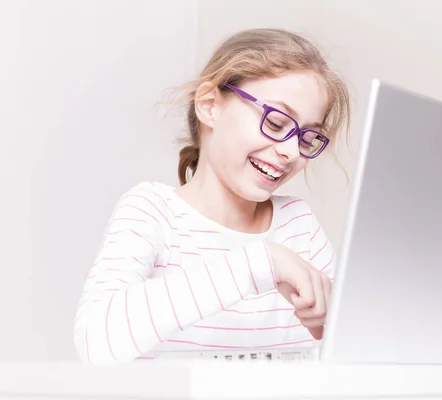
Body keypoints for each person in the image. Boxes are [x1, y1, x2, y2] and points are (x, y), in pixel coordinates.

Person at [73, 28, 351, 364]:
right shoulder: (154, 212)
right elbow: (95, 344)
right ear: (209, 106)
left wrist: (334, 325)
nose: (291, 152)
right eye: (276, 123)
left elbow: (358, 351)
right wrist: (260, 263)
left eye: (307, 138)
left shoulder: (299, 227)